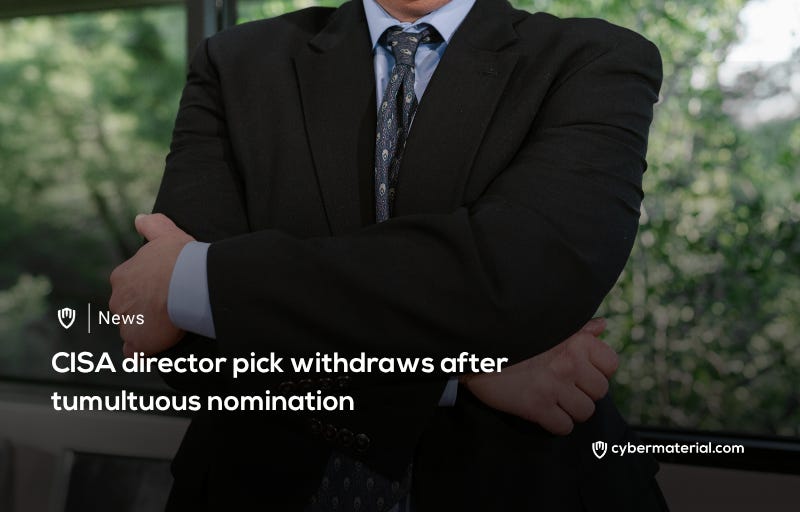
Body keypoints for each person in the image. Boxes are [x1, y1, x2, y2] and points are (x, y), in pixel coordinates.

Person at [109, 0, 666, 509]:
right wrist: (460, 376)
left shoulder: (595, 61)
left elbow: (518, 278)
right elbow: (187, 347)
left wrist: (191, 281)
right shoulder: (236, 62)